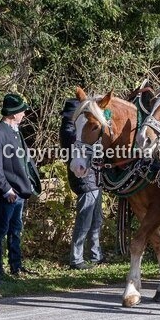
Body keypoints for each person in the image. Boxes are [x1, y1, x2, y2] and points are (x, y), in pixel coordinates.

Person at [0, 93, 38, 277]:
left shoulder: (16, 131)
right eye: (22, 111)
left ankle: (16, 266)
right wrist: (6, 189)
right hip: (8, 193)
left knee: (16, 231)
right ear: (14, 113)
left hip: (20, 191)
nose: (24, 114)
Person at [59, 99, 103, 270]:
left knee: (96, 218)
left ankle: (95, 254)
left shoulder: (72, 128)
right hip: (85, 178)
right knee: (85, 219)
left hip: (93, 178)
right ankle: (76, 258)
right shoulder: (70, 130)